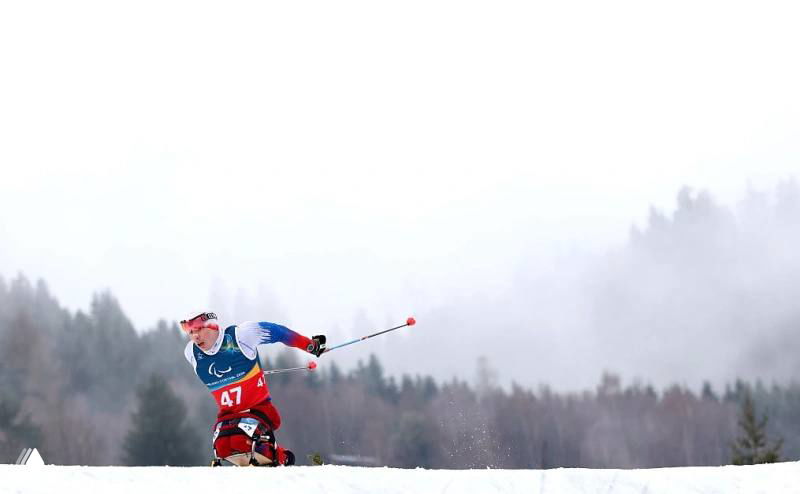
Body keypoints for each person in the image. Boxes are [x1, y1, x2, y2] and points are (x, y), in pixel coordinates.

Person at [180, 311, 326, 466]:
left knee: (240, 441)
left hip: (258, 410)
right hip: (228, 416)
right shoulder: (191, 353)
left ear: (214, 326)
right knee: (223, 447)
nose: (195, 336)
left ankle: (283, 457)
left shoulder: (242, 335)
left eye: (199, 329)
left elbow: (279, 332)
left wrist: (311, 346)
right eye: (190, 332)